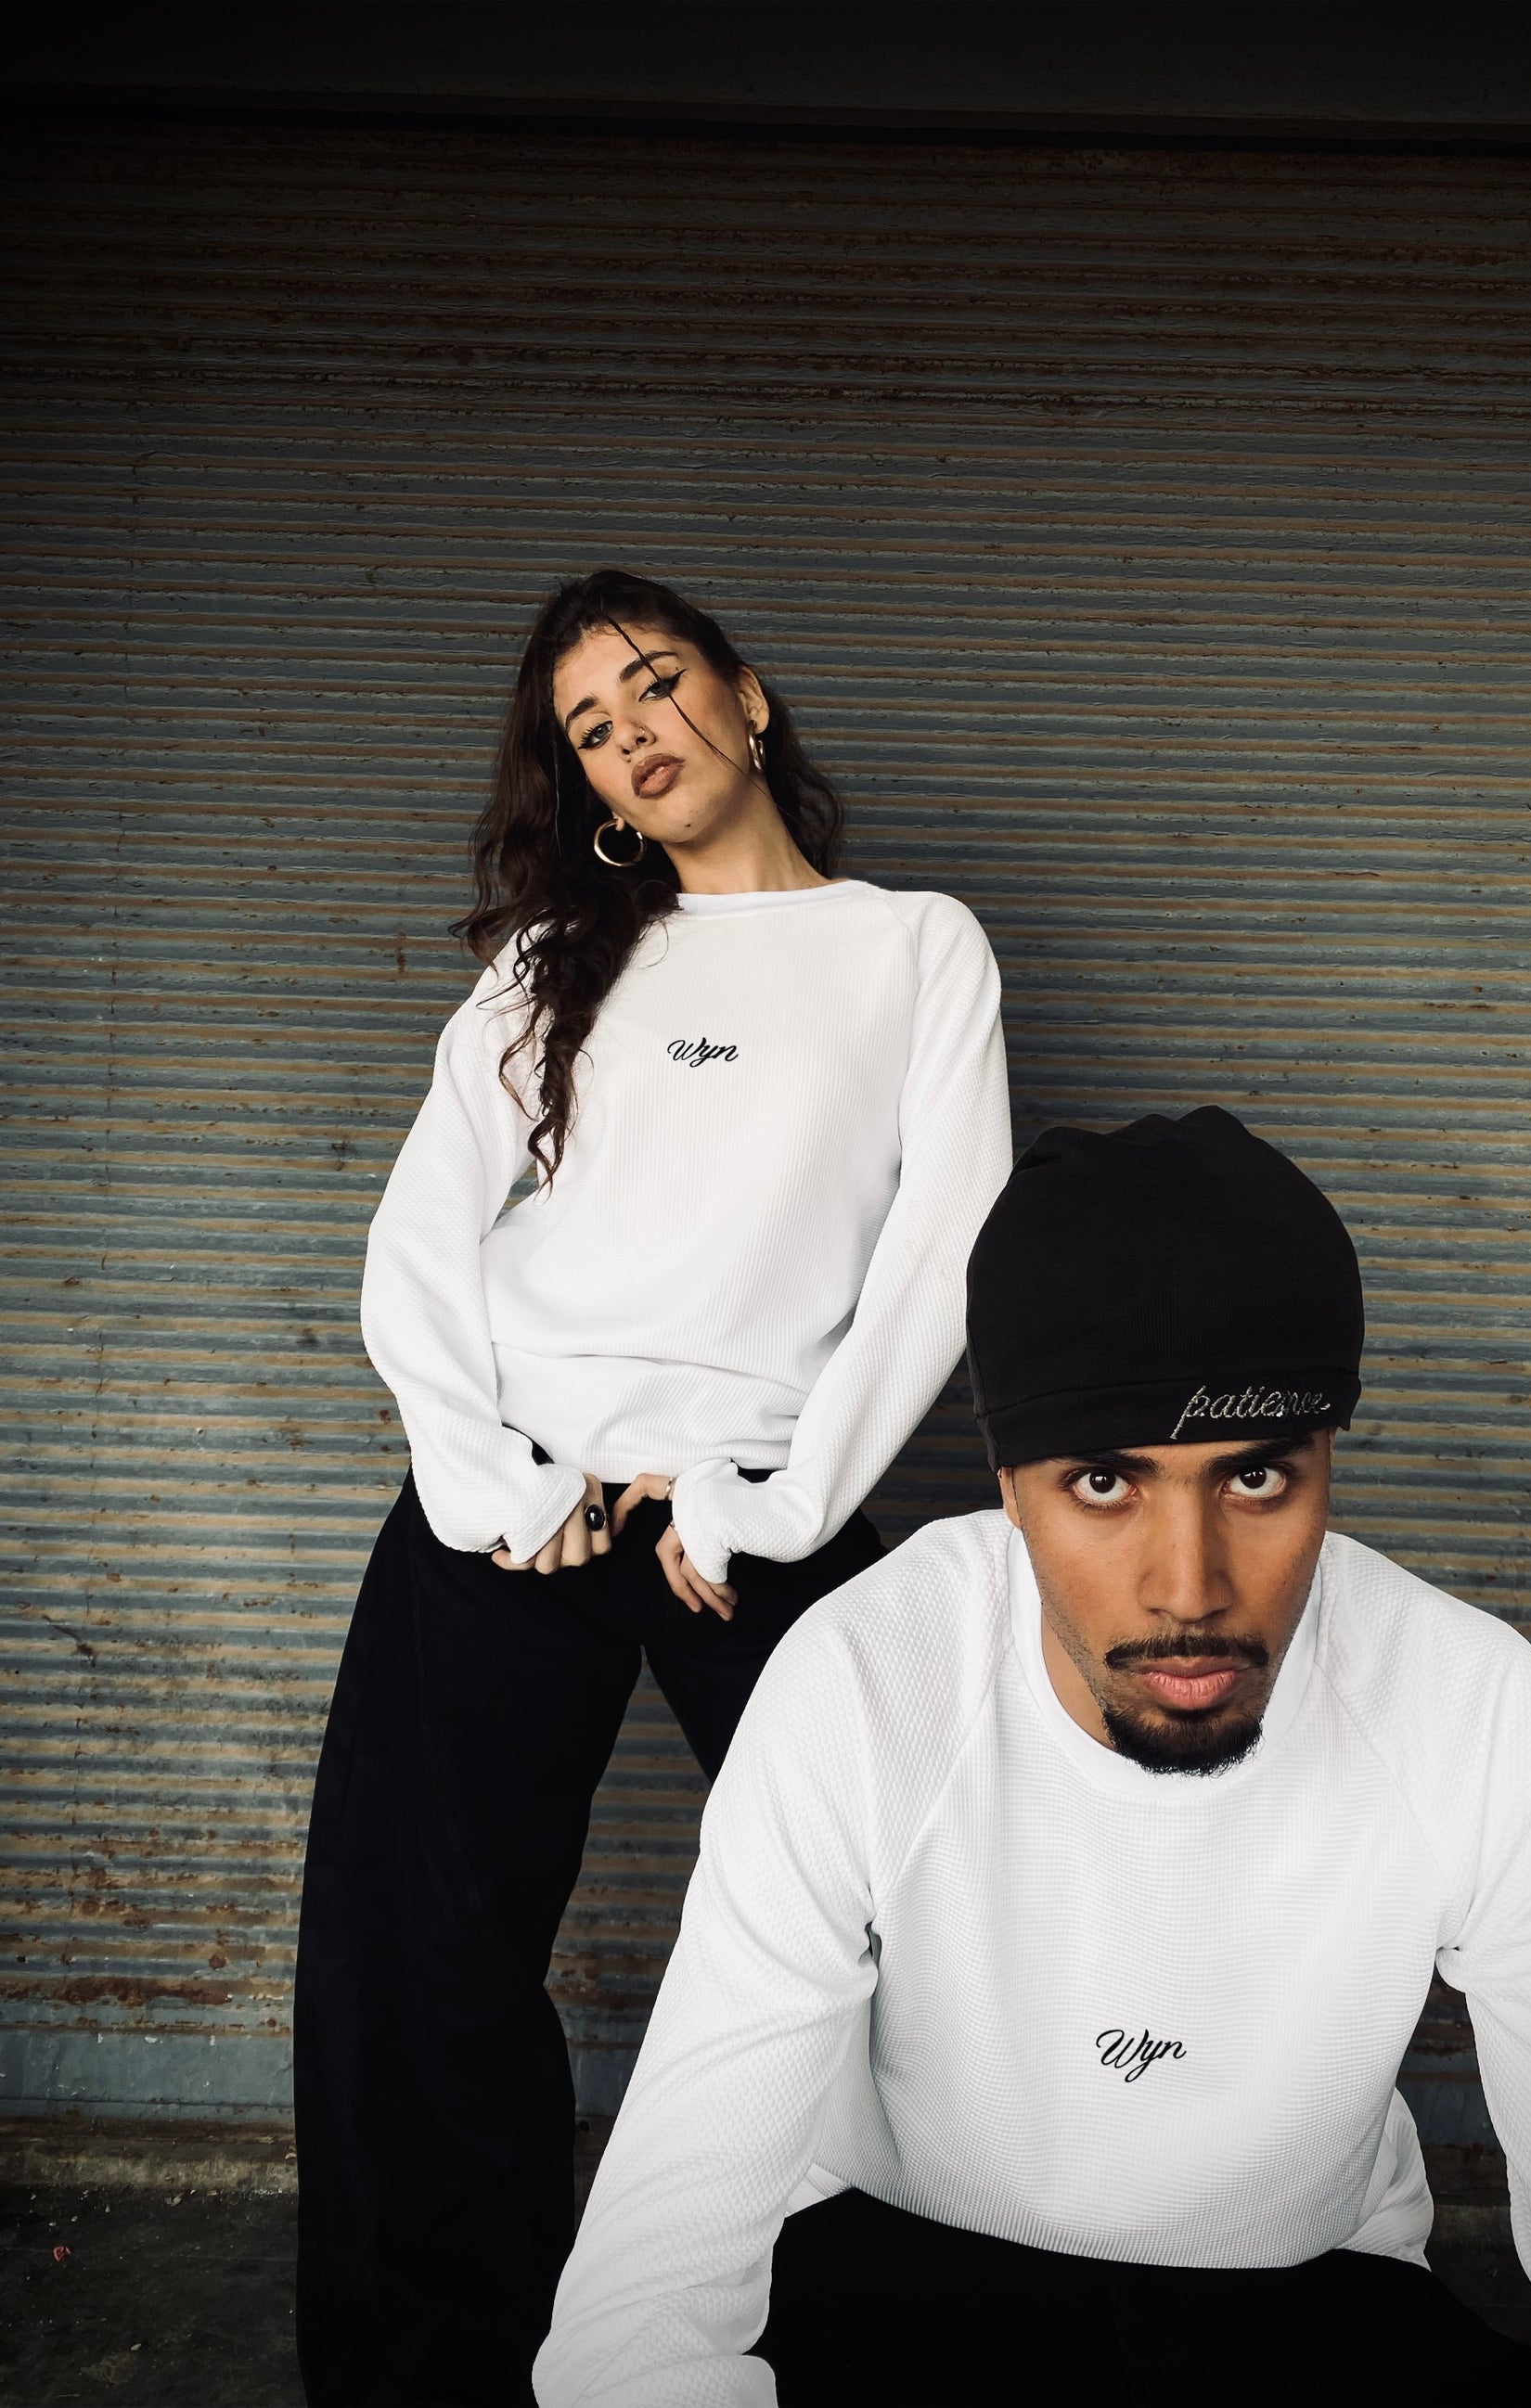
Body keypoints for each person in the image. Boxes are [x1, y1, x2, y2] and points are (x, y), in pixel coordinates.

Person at [534, 1108, 1531, 2408]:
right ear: (1007, 1482)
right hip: (891, 2273)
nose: (1188, 1589)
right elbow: (646, 2307)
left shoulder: (1471, 1708)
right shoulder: (866, 1681)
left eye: (1255, 1480)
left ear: (1325, 1462)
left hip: (1303, 2304)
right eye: (1103, 1483)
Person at [292, 569, 1012, 2407]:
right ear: (589, 782)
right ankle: (439, 2374)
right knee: (419, 1967)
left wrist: (771, 1503)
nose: (635, 733)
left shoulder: (913, 947)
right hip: (512, 1507)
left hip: (751, 1512)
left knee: (898, 1945)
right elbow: (418, 1241)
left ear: (745, 697)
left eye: (657, 683)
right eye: (593, 728)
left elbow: (945, 1252)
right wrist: (488, 1481)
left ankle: (856, 2341)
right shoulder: (554, 961)